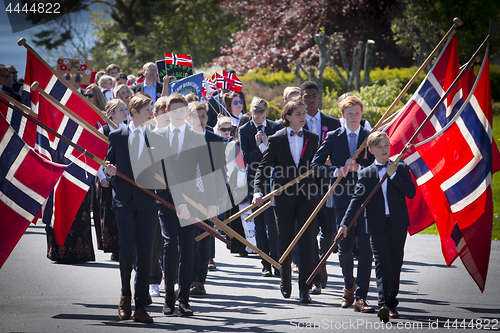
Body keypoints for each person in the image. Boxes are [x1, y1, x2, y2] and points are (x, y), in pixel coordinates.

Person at [104, 94, 177, 323]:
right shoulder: (117, 136)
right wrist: (110, 170)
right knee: (126, 249)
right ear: (135, 112)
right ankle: (125, 296)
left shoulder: (156, 137)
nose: (150, 113)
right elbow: (108, 164)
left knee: (145, 253)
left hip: (147, 200)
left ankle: (140, 305)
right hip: (124, 200)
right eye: (147, 109)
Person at [337, 131, 416, 322]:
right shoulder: (366, 174)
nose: (384, 149)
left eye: (386, 145)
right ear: (371, 150)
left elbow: (411, 192)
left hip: (397, 224)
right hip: (376, 225)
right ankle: (383, 304)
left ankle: (392, 302)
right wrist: (344, 224)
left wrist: (394, 175)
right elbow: (356, 200)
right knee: (382, 263)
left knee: (395, 263)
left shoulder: (401, 167)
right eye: (379, 146)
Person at [312, 96, 375, 312]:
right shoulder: (333, 136)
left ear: (361, 113)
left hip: (366, 198)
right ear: (343, 115)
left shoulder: (370, 137)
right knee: (344, 246)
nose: (354, 117)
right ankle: (348, 286)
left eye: (357, 113)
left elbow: (381, 165)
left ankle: (361, 297)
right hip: (341, 199)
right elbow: (316, 164)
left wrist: (361, 169)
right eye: (350, 114)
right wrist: (336, 170)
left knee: (366, 248)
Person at [253, 99, 319, 303]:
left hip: (308, 196)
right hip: (282, 197)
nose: (303, 116)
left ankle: (305, 287)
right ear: (288, 117)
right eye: (299, 113)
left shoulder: (313, 138)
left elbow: (318, 166)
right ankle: (285, 278)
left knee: (308, 241)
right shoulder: (276, 139)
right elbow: (263, 168)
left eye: (304, 113)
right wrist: (257, 191)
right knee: (285, 240)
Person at [157, 93, 217, 317]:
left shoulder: (196, 136)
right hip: (166, 201)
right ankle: (168, 298)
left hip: (192, 201)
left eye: (182, 111)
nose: (178, 115)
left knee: (187, 249)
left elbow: (206, 171)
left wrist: (211, 202)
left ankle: (184, 299)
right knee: (170, 245)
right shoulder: (159, 136)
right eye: (174, 111)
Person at [300, 80, 340, 293]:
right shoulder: (297, 123)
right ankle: (318, 271)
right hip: (306, 186)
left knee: (329, 230)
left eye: (314, 95)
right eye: (306, 96)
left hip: (329, 185)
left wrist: (332, 164)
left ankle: (321, 264)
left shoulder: (332, 123)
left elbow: (340, 152)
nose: (310, 100)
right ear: (301, 99)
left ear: (319, 97)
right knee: (310, 231)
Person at [239, 97, 283, 276]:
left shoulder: (275, 128)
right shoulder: (244, 129)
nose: (259, 120)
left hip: (273, 180)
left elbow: (280, 155)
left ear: (266, 114)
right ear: (250, 113)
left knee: (273, 223)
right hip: (255, 181)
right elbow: (247, 158)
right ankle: (265, 263)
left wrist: (267, 145)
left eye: (262, 116)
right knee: (259, 221)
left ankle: (277, 261)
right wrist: (262, 148)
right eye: (256, 116)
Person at [187, 101, 226, 296]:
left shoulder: (215, 140)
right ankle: (185, 278)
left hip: (207, 197)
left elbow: (220, 174)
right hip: (187, 197)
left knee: (204, 241)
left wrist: (216, 201)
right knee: (188, 241)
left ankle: (199, 281)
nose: (201, 120)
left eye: (203, 116)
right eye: (196, 116)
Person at [96, 99, 128, 262]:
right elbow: (98, 157)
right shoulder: (105, 130)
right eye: (121, 110)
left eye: (125, 109)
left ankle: (125, 245)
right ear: (111, 114)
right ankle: (114, 247)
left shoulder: (127, 129)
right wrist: (102, 177)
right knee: (110, 213)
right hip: (108, 179)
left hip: (124, 179)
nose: (125, 112)